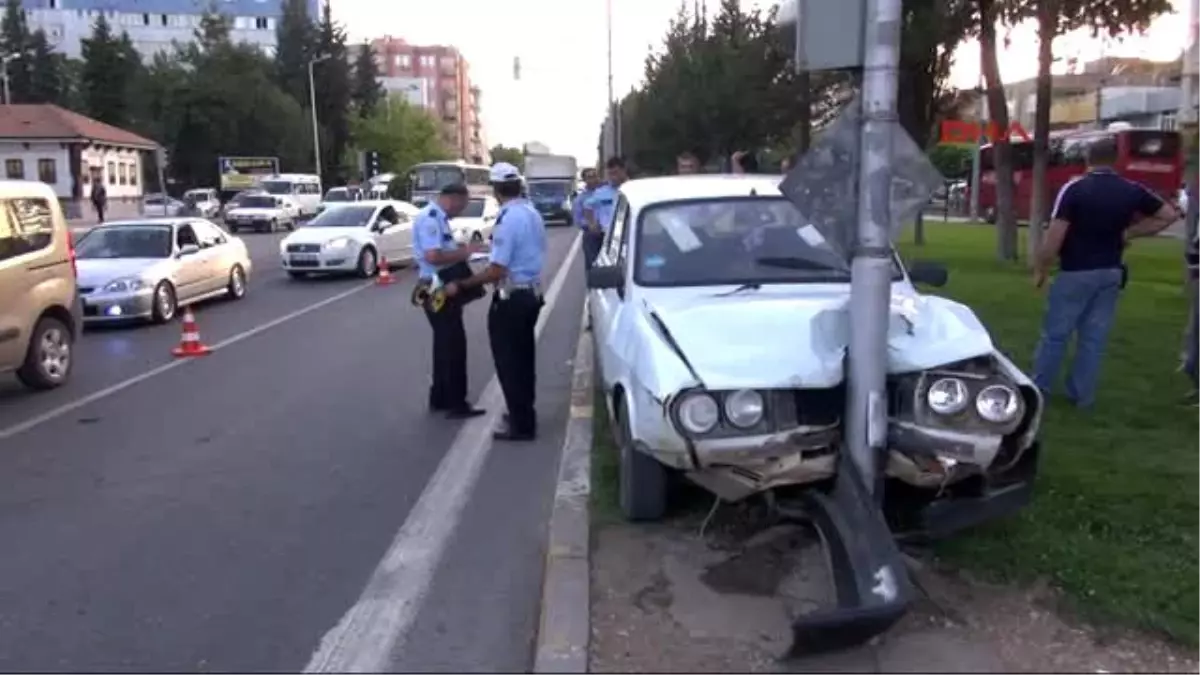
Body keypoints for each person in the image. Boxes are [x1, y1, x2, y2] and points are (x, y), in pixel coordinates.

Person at [1031, 138, 1179, 409]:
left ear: (1088, 159)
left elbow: (1054, 236)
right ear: (1115, 160)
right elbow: (1168, 214)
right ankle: (1082, 396)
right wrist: (1129, 232)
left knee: (1055, 334)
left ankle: (1040, 389)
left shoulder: (1074, 190)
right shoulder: (1131, 190)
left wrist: (1042, 268)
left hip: (1075, 270)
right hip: (1110, 271)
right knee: (1093, 338)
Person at [444, 163, 547, 441]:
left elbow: (497, 270)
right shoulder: (530, 212)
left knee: (510, 363)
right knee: (524, 359)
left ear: (496, 189)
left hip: (511, 299)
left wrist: (463, 284)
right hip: (531, 293)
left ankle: (521, 425)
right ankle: (522, 413)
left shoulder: (508, 218)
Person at [412, 183, 488, 419]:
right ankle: (456, 403)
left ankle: (441, 397)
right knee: (453, 344)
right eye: (462, 205)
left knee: (443, 343)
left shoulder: (438, 217)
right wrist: (465, 253)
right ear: (452, 199)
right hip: (436, 285)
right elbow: (433, 256)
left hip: (434, 283)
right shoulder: (431, 218)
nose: (462, 211)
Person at [574, 167, 603, 271]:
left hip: (609, 233)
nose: (594, 179)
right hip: (591, 236)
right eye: (590, 177)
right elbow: (578, 220)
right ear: (585, 180)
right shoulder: (580, 199)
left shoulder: (605, 193)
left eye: (595, 176)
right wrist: (591, 224)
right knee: (593, 265)